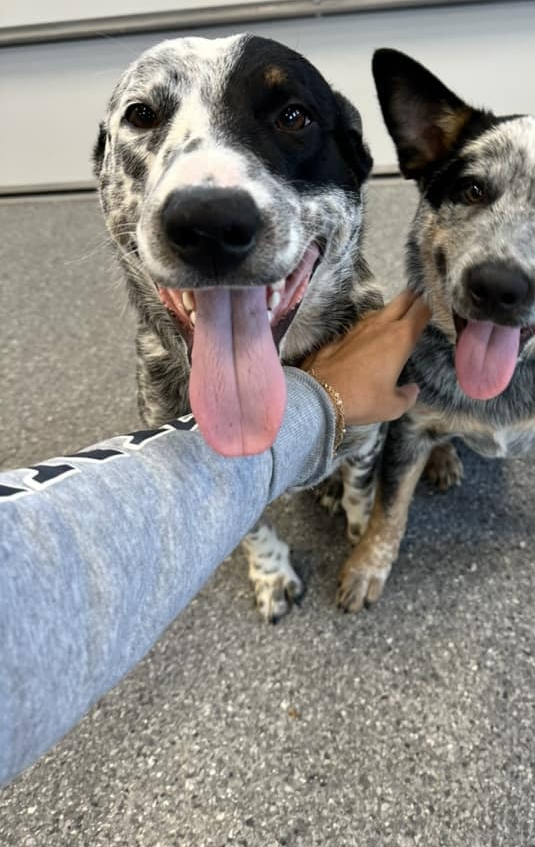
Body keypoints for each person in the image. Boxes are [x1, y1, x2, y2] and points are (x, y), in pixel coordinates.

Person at [0, 291, 431, 787]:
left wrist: (359, 498)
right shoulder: (164, 361)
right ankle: (267, 557)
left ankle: (352, 506)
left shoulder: (357, 308)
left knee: (361, 451)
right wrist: (321, 406)